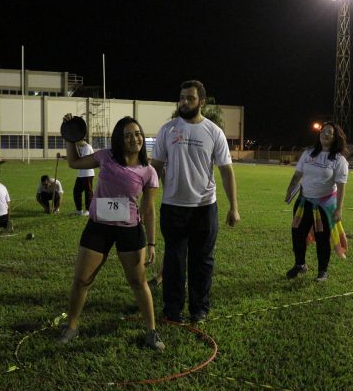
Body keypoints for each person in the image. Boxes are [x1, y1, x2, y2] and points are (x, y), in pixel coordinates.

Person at [58, 115, 164, 350]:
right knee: (82, 280)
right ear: (119, 139)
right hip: (98, 228)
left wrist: (152, 243)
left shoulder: (148, 171)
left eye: (137, 134)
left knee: (138, 282)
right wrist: (70, 136)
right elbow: (74, 162)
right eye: (127, 135)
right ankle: (72, 327)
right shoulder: (106, 157)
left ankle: (152, 332)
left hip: (129, 231)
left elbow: (148, 210)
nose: (134, 139)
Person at [151, 80, 240, 324]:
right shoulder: (167, 130)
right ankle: (172, 309)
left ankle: (199, 309)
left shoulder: (214, 131)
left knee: (202, 261)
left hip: (204, 208)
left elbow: (226, 171)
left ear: (202, 101)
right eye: (181, 97)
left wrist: (234, 207)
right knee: (174, 261)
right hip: (173, 208)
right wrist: (146, 200)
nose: (184, 102)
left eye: (190, 98)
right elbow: (155, 168)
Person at [284, 121, 348, 282]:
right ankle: (300, 265)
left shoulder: (339, 160)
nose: (325, 134)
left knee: (322, 238)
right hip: (304, 202)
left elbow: (341, 186)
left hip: (324, 206)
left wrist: (339, 209)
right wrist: (290, 189)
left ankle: (322, 272)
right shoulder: (308, 153)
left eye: (330, 132)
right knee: (297, 234)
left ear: (335, 137)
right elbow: (298, 174)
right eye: (323, 131)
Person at [72, 139, 94, 216]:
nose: (76, 144)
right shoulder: (81, 148)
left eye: (77, 142)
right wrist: (64, 157)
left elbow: (82, 159)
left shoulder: (87, 147)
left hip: (87, 173)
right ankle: (79, 210)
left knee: (88, 192)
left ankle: (88, 210)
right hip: (80, 174)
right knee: (76, 191)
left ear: (81, 140)